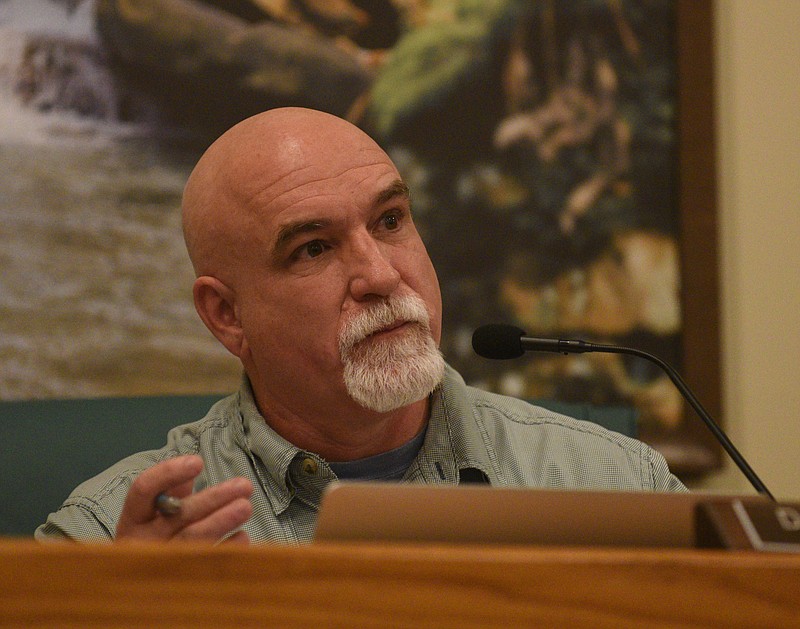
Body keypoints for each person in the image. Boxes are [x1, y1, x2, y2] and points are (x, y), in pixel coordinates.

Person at [36, 107, 686, 544]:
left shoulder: (615, 486)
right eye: (313, 248)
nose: (378, 273)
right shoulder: (109, 537)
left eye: (390, 220)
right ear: (227, 315)